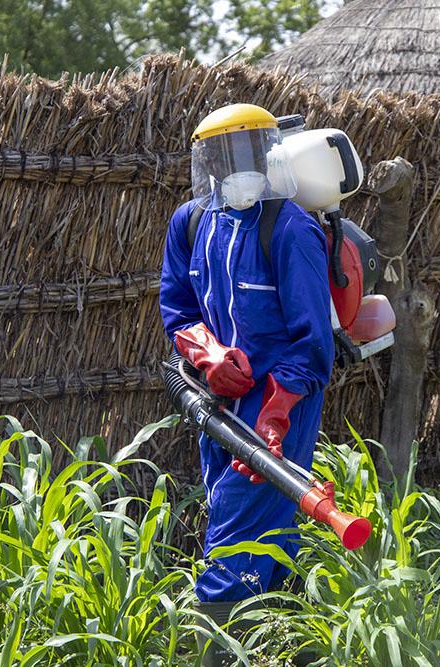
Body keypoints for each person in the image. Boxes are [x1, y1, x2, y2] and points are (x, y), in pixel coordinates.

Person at [158, 103, 334, 636]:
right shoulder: (190, 223)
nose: (237, 167)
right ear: (206, 162)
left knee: (233, 535)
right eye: (223, 154)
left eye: (247, 152)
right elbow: (178, 307)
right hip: (217, 397)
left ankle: (212, 646)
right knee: (264, 528)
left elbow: (313, 344)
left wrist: (276, 414)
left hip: (279, 401)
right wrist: (207, 355)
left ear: (269, 154)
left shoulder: (289, 230)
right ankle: (290, 641)